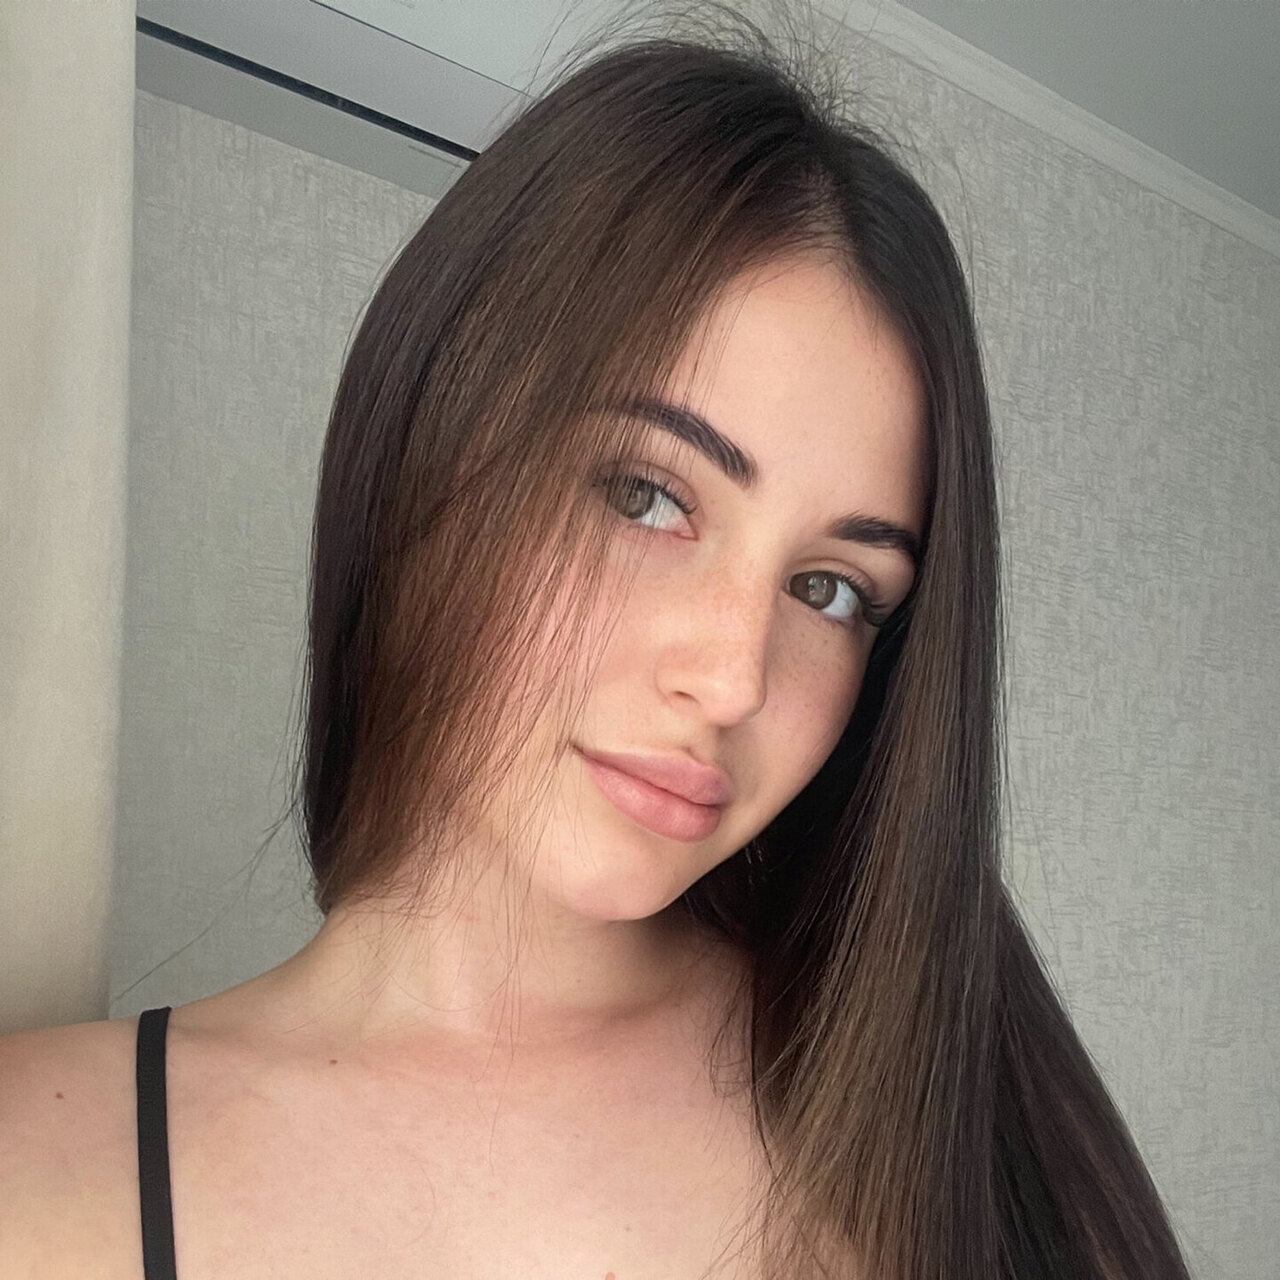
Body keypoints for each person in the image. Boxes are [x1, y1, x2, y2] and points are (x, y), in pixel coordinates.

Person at [0, 18, 1193, 1280]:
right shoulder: (43, 1168)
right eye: (644, 495)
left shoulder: (946, 1104)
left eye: (829, 589)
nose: (731, 679)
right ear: (430, 441)